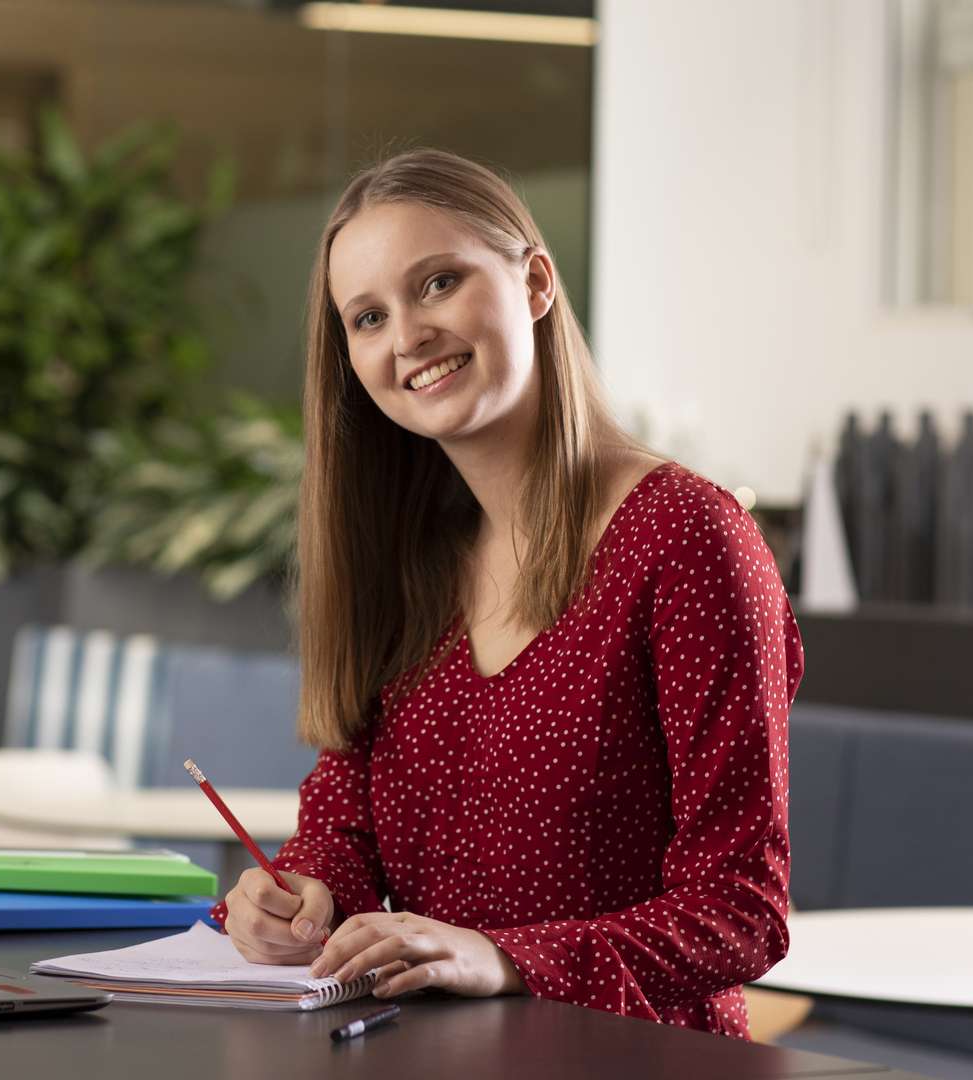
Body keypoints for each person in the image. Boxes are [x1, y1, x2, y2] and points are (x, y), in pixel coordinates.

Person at [207, 148, 805, 1040]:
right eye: (367, 317)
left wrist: (507, 958)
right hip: (423, 1052)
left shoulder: (687, 537)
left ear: (534, 283)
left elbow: (742, 909)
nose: (407, 335)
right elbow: (346, 824)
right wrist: (300, 893)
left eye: (438, 283)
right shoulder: (409, 556)